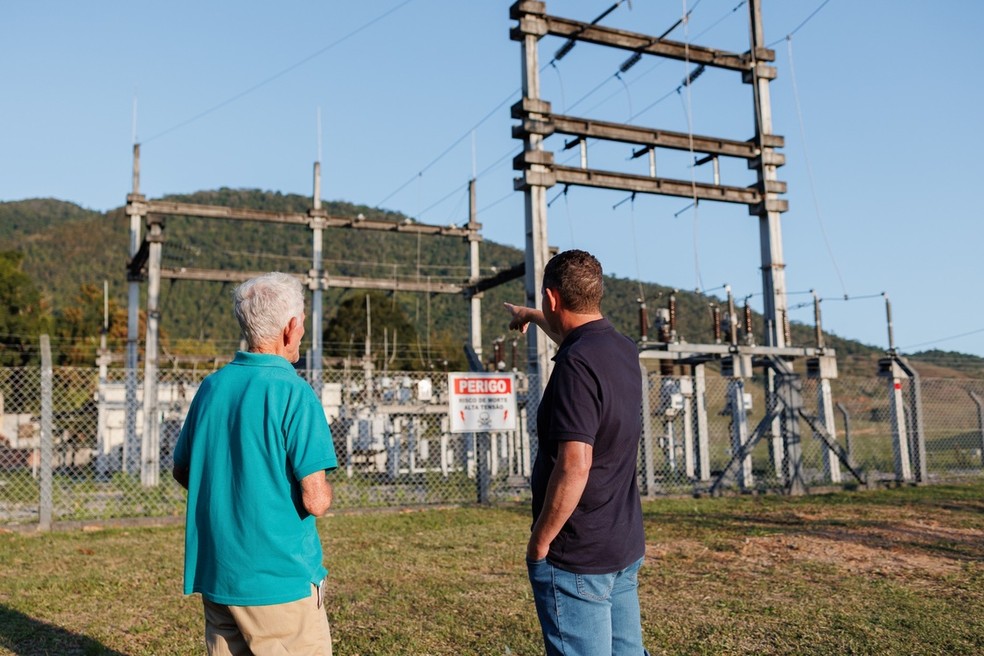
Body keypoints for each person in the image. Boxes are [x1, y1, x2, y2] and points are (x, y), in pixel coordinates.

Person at [172, 272, 338, 656]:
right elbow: (315, 500)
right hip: (280, 581)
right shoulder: (295, 393)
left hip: (219, 573)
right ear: (290, 328)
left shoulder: (211, 387)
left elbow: (183, 470)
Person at [505, 249, 648, 656]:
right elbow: (577, 337)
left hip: (577, 555)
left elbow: (574, 466)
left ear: (553, 298)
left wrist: (541, 541)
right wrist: (533, 315)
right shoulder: (621, 349)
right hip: (621, 544)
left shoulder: (574, 365)